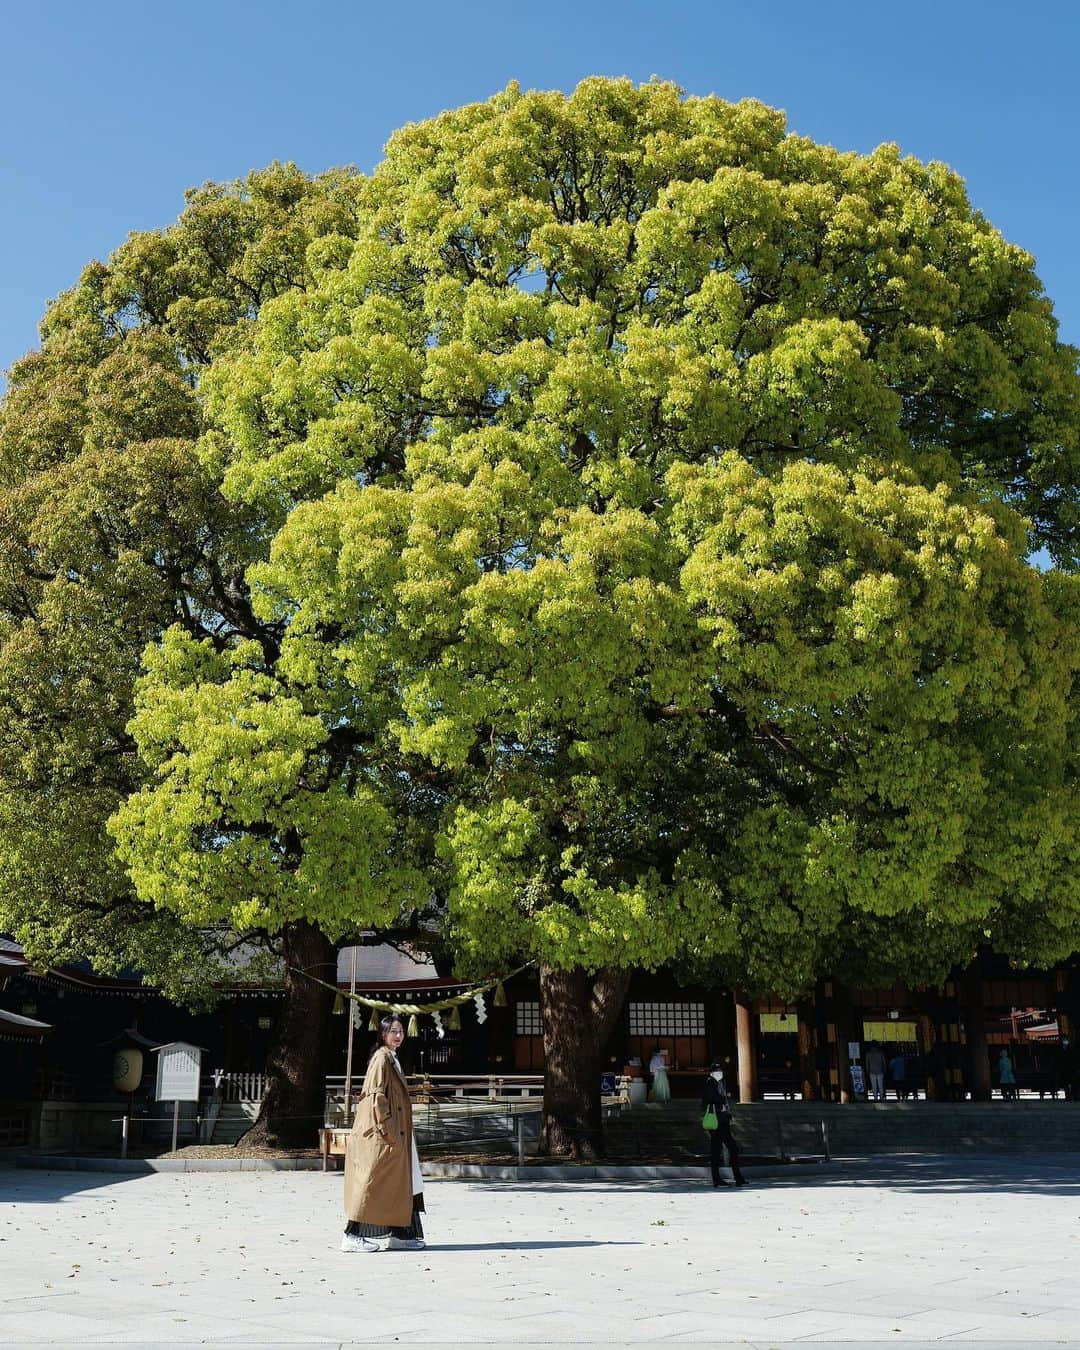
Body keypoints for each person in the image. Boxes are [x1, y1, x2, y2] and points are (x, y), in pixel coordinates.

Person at [342, 1014, 426, 1252]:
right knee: (371, 1183)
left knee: (399, 1184)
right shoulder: (381, 1059)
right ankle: (351, 1234)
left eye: (400, 1031)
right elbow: (376, 1098)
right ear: (383, 1034)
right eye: (393, 1032)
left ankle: (399, 1233)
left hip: (396, 1135)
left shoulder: (391, 1058)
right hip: (382, 1136)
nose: (398, 1035)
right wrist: (388, 1131)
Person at [701, 1061, 747, 1188]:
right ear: (712, 1072)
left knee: (728, 1148)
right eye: (717, 1071)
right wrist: (721, 1100)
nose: (719, 1073)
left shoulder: (721, 1083)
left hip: (723, 1119)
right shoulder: (710, 1082)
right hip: (716, 1120)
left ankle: (736, 1177)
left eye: (720, 1070)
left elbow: (724, 1100)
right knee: (719, 1149)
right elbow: (710, 1098)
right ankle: (722, 1178)